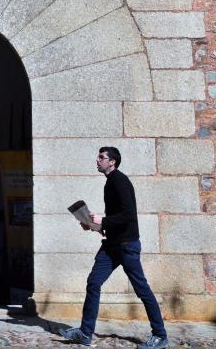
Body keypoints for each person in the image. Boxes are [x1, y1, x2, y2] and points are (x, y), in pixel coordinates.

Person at [62, 147, 169, 348]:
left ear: (112, 162)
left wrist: (103, 220)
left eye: (101, 157)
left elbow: (128, 215)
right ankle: (85, 333)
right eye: (98, 156)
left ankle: (160, 336)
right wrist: (95, 225)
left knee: (142, 290)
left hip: (127, 247)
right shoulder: (109, 183)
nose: (97, 160)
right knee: (93, 283)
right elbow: (116, 218)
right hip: (111, 246)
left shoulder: (120, 181)